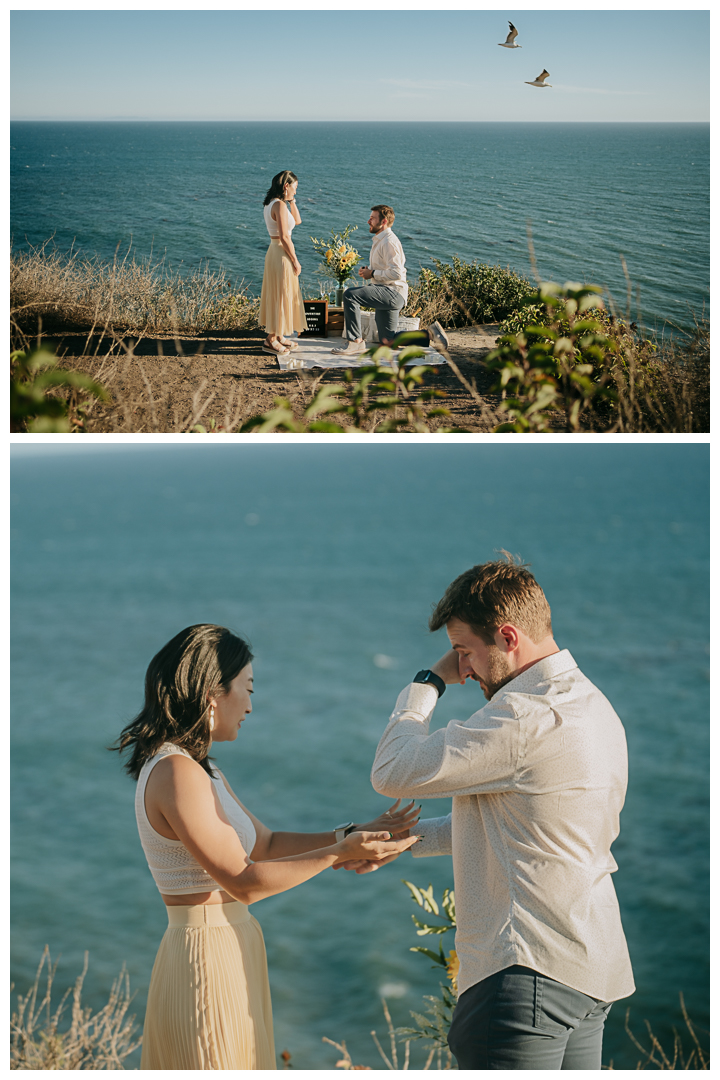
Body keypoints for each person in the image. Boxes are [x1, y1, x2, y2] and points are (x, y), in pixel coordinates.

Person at [112, 624, 419, 1070]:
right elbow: (243, 882)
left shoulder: (202, 769)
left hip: (230, 944)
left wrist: (350, 834)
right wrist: (339, 853)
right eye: (248, 688)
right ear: (212, 692)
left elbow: (266, 843)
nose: (252, 706)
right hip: (205, 953)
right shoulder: (177, 772)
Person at [370, 556, 635, 1070]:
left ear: (509, 637)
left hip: (526, 976)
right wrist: (396, 841)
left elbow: (392, 769)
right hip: (589, 970)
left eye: (465, 651)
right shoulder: (593, 705)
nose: (464, 671)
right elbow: (519, 830)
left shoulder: (522, 717)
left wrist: (428, 682)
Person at [332, 204, 449, 358]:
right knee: (388, 341)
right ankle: (429, 334)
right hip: (386, 292)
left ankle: (355, 341)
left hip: (392, 293)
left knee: (350, 295)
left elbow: (396, 273)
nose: (368, 221)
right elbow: (387, 269)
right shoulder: (381, 240)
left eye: (372, 218)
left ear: (384, 221)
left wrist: (372, 273)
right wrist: (369, 272)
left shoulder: (389, 241)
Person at [258, 170, 308, 356]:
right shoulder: (278, 205)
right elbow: (285, 237)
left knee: (282, 292)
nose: (296, 192)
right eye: (294, 189)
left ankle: (278, 334)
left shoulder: (275, 203)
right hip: (281, 251)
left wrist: (292, 201)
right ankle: (270, 339)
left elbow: (298, 221)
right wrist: (295, 260)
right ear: (286, 186)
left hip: (275, 250)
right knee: (281, 294)